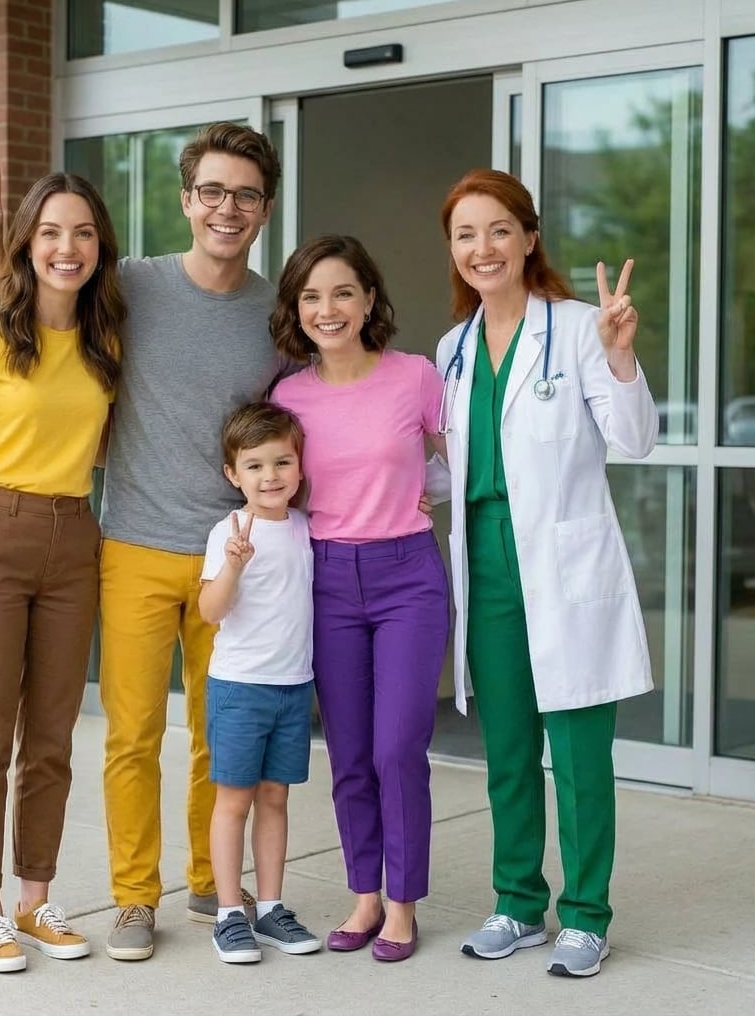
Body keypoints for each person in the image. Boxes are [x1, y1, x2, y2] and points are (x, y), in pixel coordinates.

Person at [0, 123, 282, 960]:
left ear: (265, 210)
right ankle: (135, 899)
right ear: (186, 201)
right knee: (132, 737)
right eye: (211, 191)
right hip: (134, 545)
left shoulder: (275, 313)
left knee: (224, 735)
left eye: (245, 194)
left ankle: (214, 882)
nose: (227, 208)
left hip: (231, 552)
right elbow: (41, 303)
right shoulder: (131, 284)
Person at [431, 168, 658, 978]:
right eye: (465, 234)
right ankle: (518, 902)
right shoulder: (452, 349)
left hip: (562, 563)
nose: (482, 248)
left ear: (529, 237)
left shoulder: (582, 326)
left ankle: (587, 915)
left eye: (498, 230)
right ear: (453, 251)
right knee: (509, 747)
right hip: (487, 559)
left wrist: (623, 359)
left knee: (579, 749)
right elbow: (450, 469)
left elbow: (635, 441)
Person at [0, 172, 125, 972]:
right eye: (49, 233)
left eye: (81, 233)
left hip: (75, 537)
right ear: (27, 243)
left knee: (51, 738)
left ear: (98, 245)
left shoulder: (107, 339)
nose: (66, 248)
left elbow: (102, 443)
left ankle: (37, 899)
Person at [270, 234, 450, 963]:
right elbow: (273, 481)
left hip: (409, 573)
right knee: (348, 750)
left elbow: (454, 459)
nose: (328, 309)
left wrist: (428, 497)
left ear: (370, 298)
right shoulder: (288, 395)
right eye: (311, 296)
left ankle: (403, 902)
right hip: (328, 577)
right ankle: (364, 895)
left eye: (343, 292)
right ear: (297, 310)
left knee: (397, 746)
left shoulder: (416, 377)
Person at [197, 401, 322, 964]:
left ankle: (270, 907)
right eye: (254, 466)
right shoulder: (228, 532)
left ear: (299, 467)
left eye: (281, 462)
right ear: (233, 474)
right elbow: (209, 610)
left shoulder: (306, 526)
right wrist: (234, 565)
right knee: (234, 802)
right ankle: (229, 913)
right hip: (240, 689)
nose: (270, 476)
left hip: (293, 687)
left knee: (276, 798)